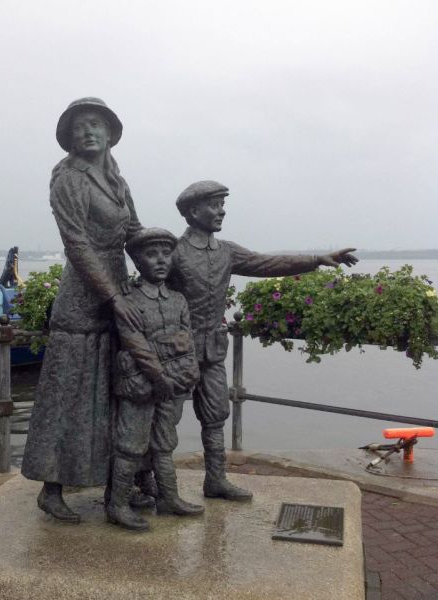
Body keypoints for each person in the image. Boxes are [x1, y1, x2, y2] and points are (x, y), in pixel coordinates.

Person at [169, 180, 358, 501]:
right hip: (177, 350)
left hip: (213, 350)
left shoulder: (225, 251)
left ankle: (215, 480)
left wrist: (317, 259)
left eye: (222, 204)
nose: (221, 210)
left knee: (215, 415)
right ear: (192, 211)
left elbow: (267, 264)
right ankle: (152, 485)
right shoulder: (174, 252)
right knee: (165, 418)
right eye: (214, 205)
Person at [21, 98, 143, 523]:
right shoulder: (67, 179)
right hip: (82, 298)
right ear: (69, 137)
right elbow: (76, 243)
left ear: (110, 133)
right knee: (67, 394)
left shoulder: (117, 182)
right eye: (80, 126)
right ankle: (50, 487)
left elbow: (136, 235)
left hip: (116, 292)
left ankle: (120, 482)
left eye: (96, 125)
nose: (89, 132)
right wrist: (113, 297)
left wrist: (166, 270)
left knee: (112, 392)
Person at [108, 228, 204, 531]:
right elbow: (134, 342)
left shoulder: (177, 300)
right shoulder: (129, 301)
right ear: (137, 260)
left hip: (173, 384)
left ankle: (169, 497)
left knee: (164, 443)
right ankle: (118, 504)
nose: (161, 260)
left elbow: (185, 338)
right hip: (141, 385)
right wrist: (159, 376)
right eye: (152, 254)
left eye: (166, 253)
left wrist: (187, 372)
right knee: (131, 445)